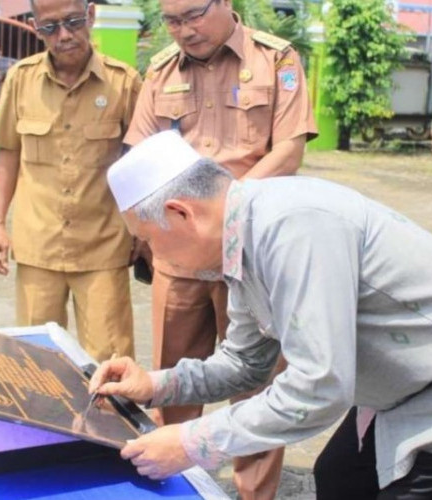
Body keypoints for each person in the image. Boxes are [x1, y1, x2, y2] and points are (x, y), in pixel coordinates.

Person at [91, 130, 432, 499]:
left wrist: (193, 443)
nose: (152, 256)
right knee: (339, 479)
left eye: (149, 239)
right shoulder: (240, 239)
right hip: (416, 386)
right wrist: (156, 385)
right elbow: (246, 363)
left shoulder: (291, 227)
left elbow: (320, 387)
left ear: (181, 213)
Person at [123, 0, 317, 497]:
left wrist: (228, 215)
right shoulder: (162, 69)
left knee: (256, 387)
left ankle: (255, 494)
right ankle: (177, 486)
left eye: (193, 14)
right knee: (175, 379)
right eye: (171, 20)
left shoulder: (276, 60)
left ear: (225, 4)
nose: (184, 30)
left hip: (250, 250)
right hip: (179, 255)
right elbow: (141, 156)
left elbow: (289, 149)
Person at [0, 0, 141, 361]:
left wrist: (143, 232)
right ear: (36, 27)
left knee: (110, 361)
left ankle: (105, 421)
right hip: (38, 246)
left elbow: (141, 163)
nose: (64, 35)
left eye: (72, 22)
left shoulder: (124, 83)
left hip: (103, 247)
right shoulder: (21, 80)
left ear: (90, 16)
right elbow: (8, 153)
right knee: (36, 360)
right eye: (50, 27)